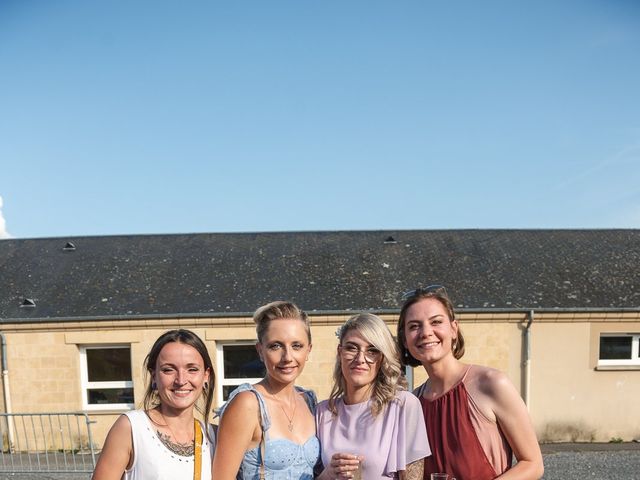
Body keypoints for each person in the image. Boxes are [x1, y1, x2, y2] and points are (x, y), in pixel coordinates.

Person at [397, 285, 544, 480]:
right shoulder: (412, 402)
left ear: (454, 329)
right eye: (414, 326)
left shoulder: (490, 384)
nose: (426, 332)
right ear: (405, 340)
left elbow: (532, 464)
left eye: (436, 322)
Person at [212, 301, 319, 480]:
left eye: (297, 346)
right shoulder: (247, 403)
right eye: (275, 346)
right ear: (260, 350)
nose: (287, 357)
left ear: (308, 350)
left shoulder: (309, 400)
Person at [316, 313, 430, 480]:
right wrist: (327, 475)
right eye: (351, 348)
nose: (360, 359)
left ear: (382, 358)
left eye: (372, 351)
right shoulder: (322, 411)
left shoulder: (403, 405)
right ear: (340, 352)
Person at [92, 329, 216, 480]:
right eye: (168, 370)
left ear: (206, 376)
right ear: (154, 376)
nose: (181, 380)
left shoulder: (214, 437)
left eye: (192, 369)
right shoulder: (132, 428)